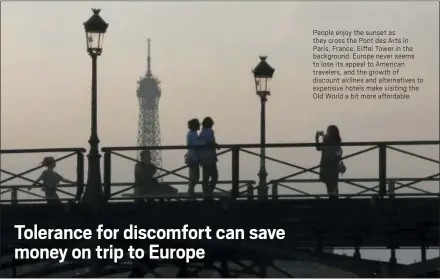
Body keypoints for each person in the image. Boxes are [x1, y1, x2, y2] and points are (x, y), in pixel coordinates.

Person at [315, 125, 345, 200]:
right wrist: (318, 137)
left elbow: (319, 148)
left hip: (328, 168)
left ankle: (333, 203)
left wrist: (317, 137)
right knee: (334, 186)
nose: (326, 133)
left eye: (328, 132)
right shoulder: (335, 144)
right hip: (332, 169)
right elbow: (319, 148)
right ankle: (335, 202)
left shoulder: (328, 143)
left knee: (331, 188)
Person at [199, 117, 219, 198]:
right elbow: (210, 143)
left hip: (203, 157)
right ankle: (209, 191)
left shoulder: (202, 132)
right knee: (215, 176)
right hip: (210, 157)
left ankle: (205, 192)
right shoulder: (209, 132)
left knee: (205, 177)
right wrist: (216, 145)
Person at [185, 118, 204, 198]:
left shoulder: (191, 133)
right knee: (195, 176)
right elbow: (196, 143)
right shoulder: (193, 134)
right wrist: (205, 142)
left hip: (192, 157)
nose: (199, 125)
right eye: (198, 124)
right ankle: (190, 192)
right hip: (193, 157)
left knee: (193, 176)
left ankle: (191, 192)